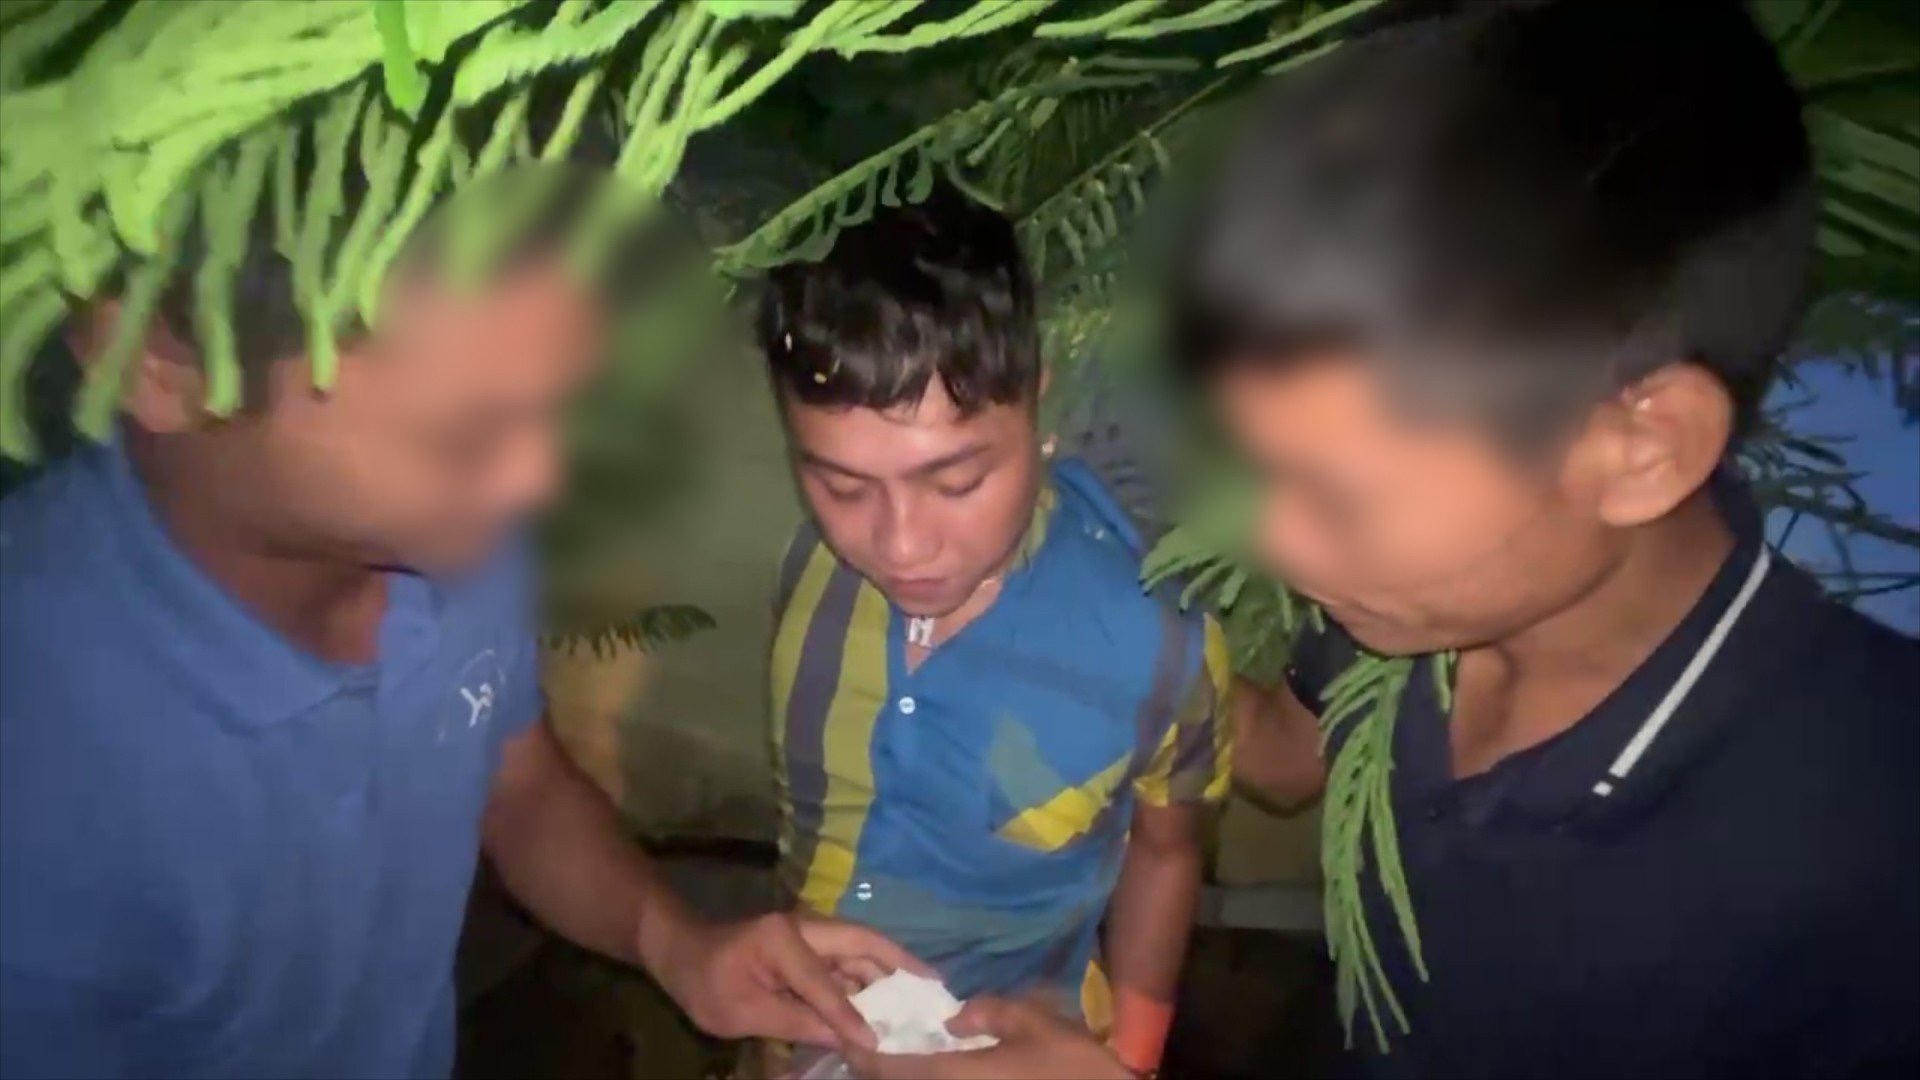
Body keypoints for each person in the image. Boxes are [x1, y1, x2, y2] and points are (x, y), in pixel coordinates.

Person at [857, 3, 1919, 1079]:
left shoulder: (1862, 870)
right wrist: (1056, 589)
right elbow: (1283, 759)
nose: (1275, 544)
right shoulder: (1426, 610)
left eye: (1336, 497)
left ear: (1639, 450)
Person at [0, 174, 922, 1078]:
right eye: (464, 435)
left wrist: (673, 942)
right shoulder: (44, 780)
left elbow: (517, 784)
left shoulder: (443, 535)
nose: (539, 481)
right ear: (158, 357)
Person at [756, 183, 1232, 1079]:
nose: (901, 545)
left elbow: (1167, 853)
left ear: (1037, 407)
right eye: (842, 487)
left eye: (957, 481)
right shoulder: (807, 564)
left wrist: (1130, 1063)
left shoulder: (1158, 643)